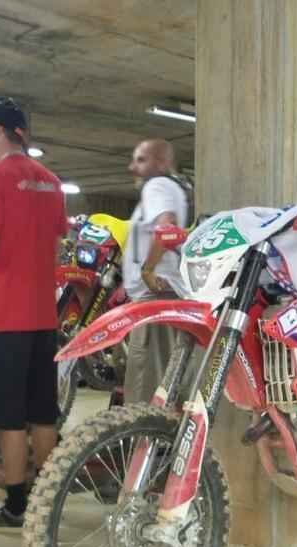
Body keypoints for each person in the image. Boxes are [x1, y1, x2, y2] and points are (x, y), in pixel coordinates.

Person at [0, 96, 67, 533]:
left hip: (2, 317)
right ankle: (49, 498)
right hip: (44, 315)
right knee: (43, 411)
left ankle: (17, 507)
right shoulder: (51, 181)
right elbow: (54, 247)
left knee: (7, 416)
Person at [121, 138, 190, 404]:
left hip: (157, 298)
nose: (132, 167)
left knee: (145, 387)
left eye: (141, 159)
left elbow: (166, 226)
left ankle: (143, 444)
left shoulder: (157, 185)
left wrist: (148, 270)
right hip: (164, 297)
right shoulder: (172, 189)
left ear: (161, 163)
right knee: (164, 382)